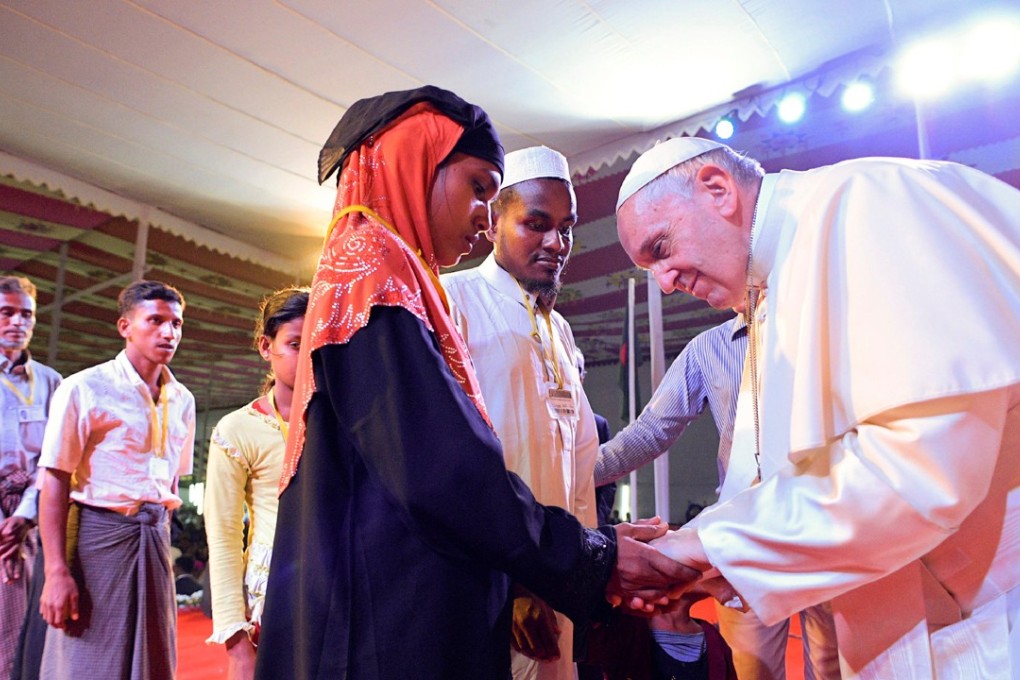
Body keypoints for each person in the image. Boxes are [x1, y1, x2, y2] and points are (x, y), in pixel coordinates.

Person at [254, 86, 695, 680]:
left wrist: (597, 541)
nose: (484, 217)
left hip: (510, 564)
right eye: (479, 189)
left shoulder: (415, 282)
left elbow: (561, 460)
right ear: (415, 164)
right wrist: (582, 559)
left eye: (566, 228)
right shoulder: (374, 275)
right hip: (406, 612)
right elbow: (442, 470)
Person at [615, 137, 1020, 678]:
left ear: (717, 190)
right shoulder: (775, 287)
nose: (663, 284)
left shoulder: (870, 204)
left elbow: (920, 468)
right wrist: (715, 559)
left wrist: (707, 544)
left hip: (990, 619)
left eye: (660, 249)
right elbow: (806, 473)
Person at [596, 316, 839, 679]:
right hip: (744, 538)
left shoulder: (821, 321)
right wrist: (565, 476)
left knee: (833, 668)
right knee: (751, 670)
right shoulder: (708, 348)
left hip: (829, 529)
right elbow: (651, 431)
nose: (669, 280)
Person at [442, 145, 598, 680]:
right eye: (536, 224)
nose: (557, 243)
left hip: (559, 578)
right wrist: (514, 579)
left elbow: (578, 464)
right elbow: (448, 467)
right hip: (489, 584)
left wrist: (591, 563)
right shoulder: (451, 302)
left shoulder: (560, 328)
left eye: (567, 227)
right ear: (492, 224)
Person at [36, 280, 196, 680]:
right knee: (87, 657)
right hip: (98, 541)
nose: (168, 332)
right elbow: (54, 479)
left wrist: (161, 535)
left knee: (154, 657)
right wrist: (56, 572)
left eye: (176, 323)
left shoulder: (183, 400)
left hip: (154, 540)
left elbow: (172, 483)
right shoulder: (85, 388)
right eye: (155, 320)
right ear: (125, 326)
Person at [204, 286, 308, 680]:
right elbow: (225, 536)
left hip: (338, 586)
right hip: (271, 598)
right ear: (266, 346)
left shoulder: (343, 418)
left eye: (316, 341)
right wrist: (235, 638)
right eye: (295, 344)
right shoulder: (237, 429)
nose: (309, 355)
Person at [0, 276, 61, 678]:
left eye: (27, 314)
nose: (17, 322)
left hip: (31, 524)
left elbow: (54, 460)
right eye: (7, 312)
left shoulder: (52, 382)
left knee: (28, 636)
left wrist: (23, 517)